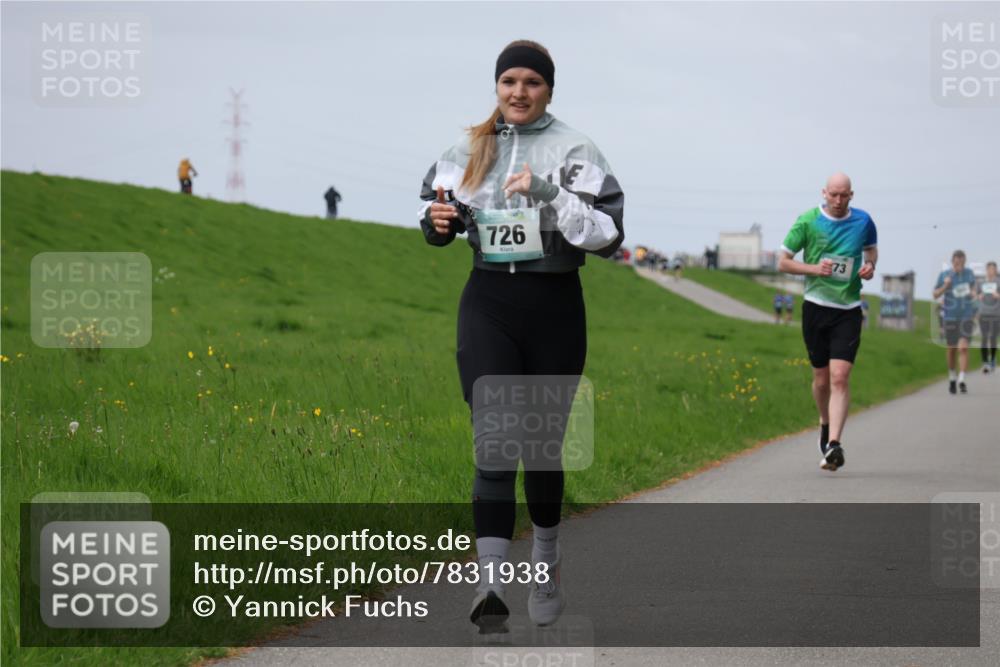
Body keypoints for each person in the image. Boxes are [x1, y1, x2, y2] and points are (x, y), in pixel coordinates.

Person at [418, 40, 624, 633]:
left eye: (532, 82)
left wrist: (549, 193)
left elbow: (608, 235)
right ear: (497, 86)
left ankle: (546, 562)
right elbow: (436, 215)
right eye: (509, 81)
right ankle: (489, 585)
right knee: (494, 440)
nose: (519, 92)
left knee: (541, 448)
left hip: (554, 307)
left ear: (549, 90)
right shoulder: (468, 147)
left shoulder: (577, 149)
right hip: (488, 304)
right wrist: (437, 222)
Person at [778, 172, 877, 471]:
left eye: (843, 195)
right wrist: (813, 269)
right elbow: (783, 261)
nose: (838, 200)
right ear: (824, 193)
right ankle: (824, 422)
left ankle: (834, 444)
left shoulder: (863, 221)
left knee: (840, 377)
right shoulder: (808, 221)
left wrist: (870, 266)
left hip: (848, 309)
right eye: (833, 194)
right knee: (821, 379)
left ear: (851, 195)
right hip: (816, 308)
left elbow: (871, 251)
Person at [933, 250, 978, 393]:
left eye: (962, 263)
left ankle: (962, 379)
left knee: (963, 348)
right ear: (952, 262)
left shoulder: (969, 274)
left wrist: (974, 293)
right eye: (957, 263)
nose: (959, 266)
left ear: (965, 262)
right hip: (950, 317)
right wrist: (945, 286)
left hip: (966, 316)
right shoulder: (944, 275)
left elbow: (974, 290)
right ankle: (952, 376)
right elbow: (935, 295)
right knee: (951, 349)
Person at [979, 261, 999, 374]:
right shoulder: (981, 283)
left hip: (996, 313)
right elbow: (975, 294)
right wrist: (979, 295)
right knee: (984, 337)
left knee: (993, 338)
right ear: (986, 270)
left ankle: (992, 359)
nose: (991, 271)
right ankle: (985, 362)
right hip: (983, 313)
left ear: (996, 271)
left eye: (993, 269)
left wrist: (998, 295)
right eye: (989, 269)